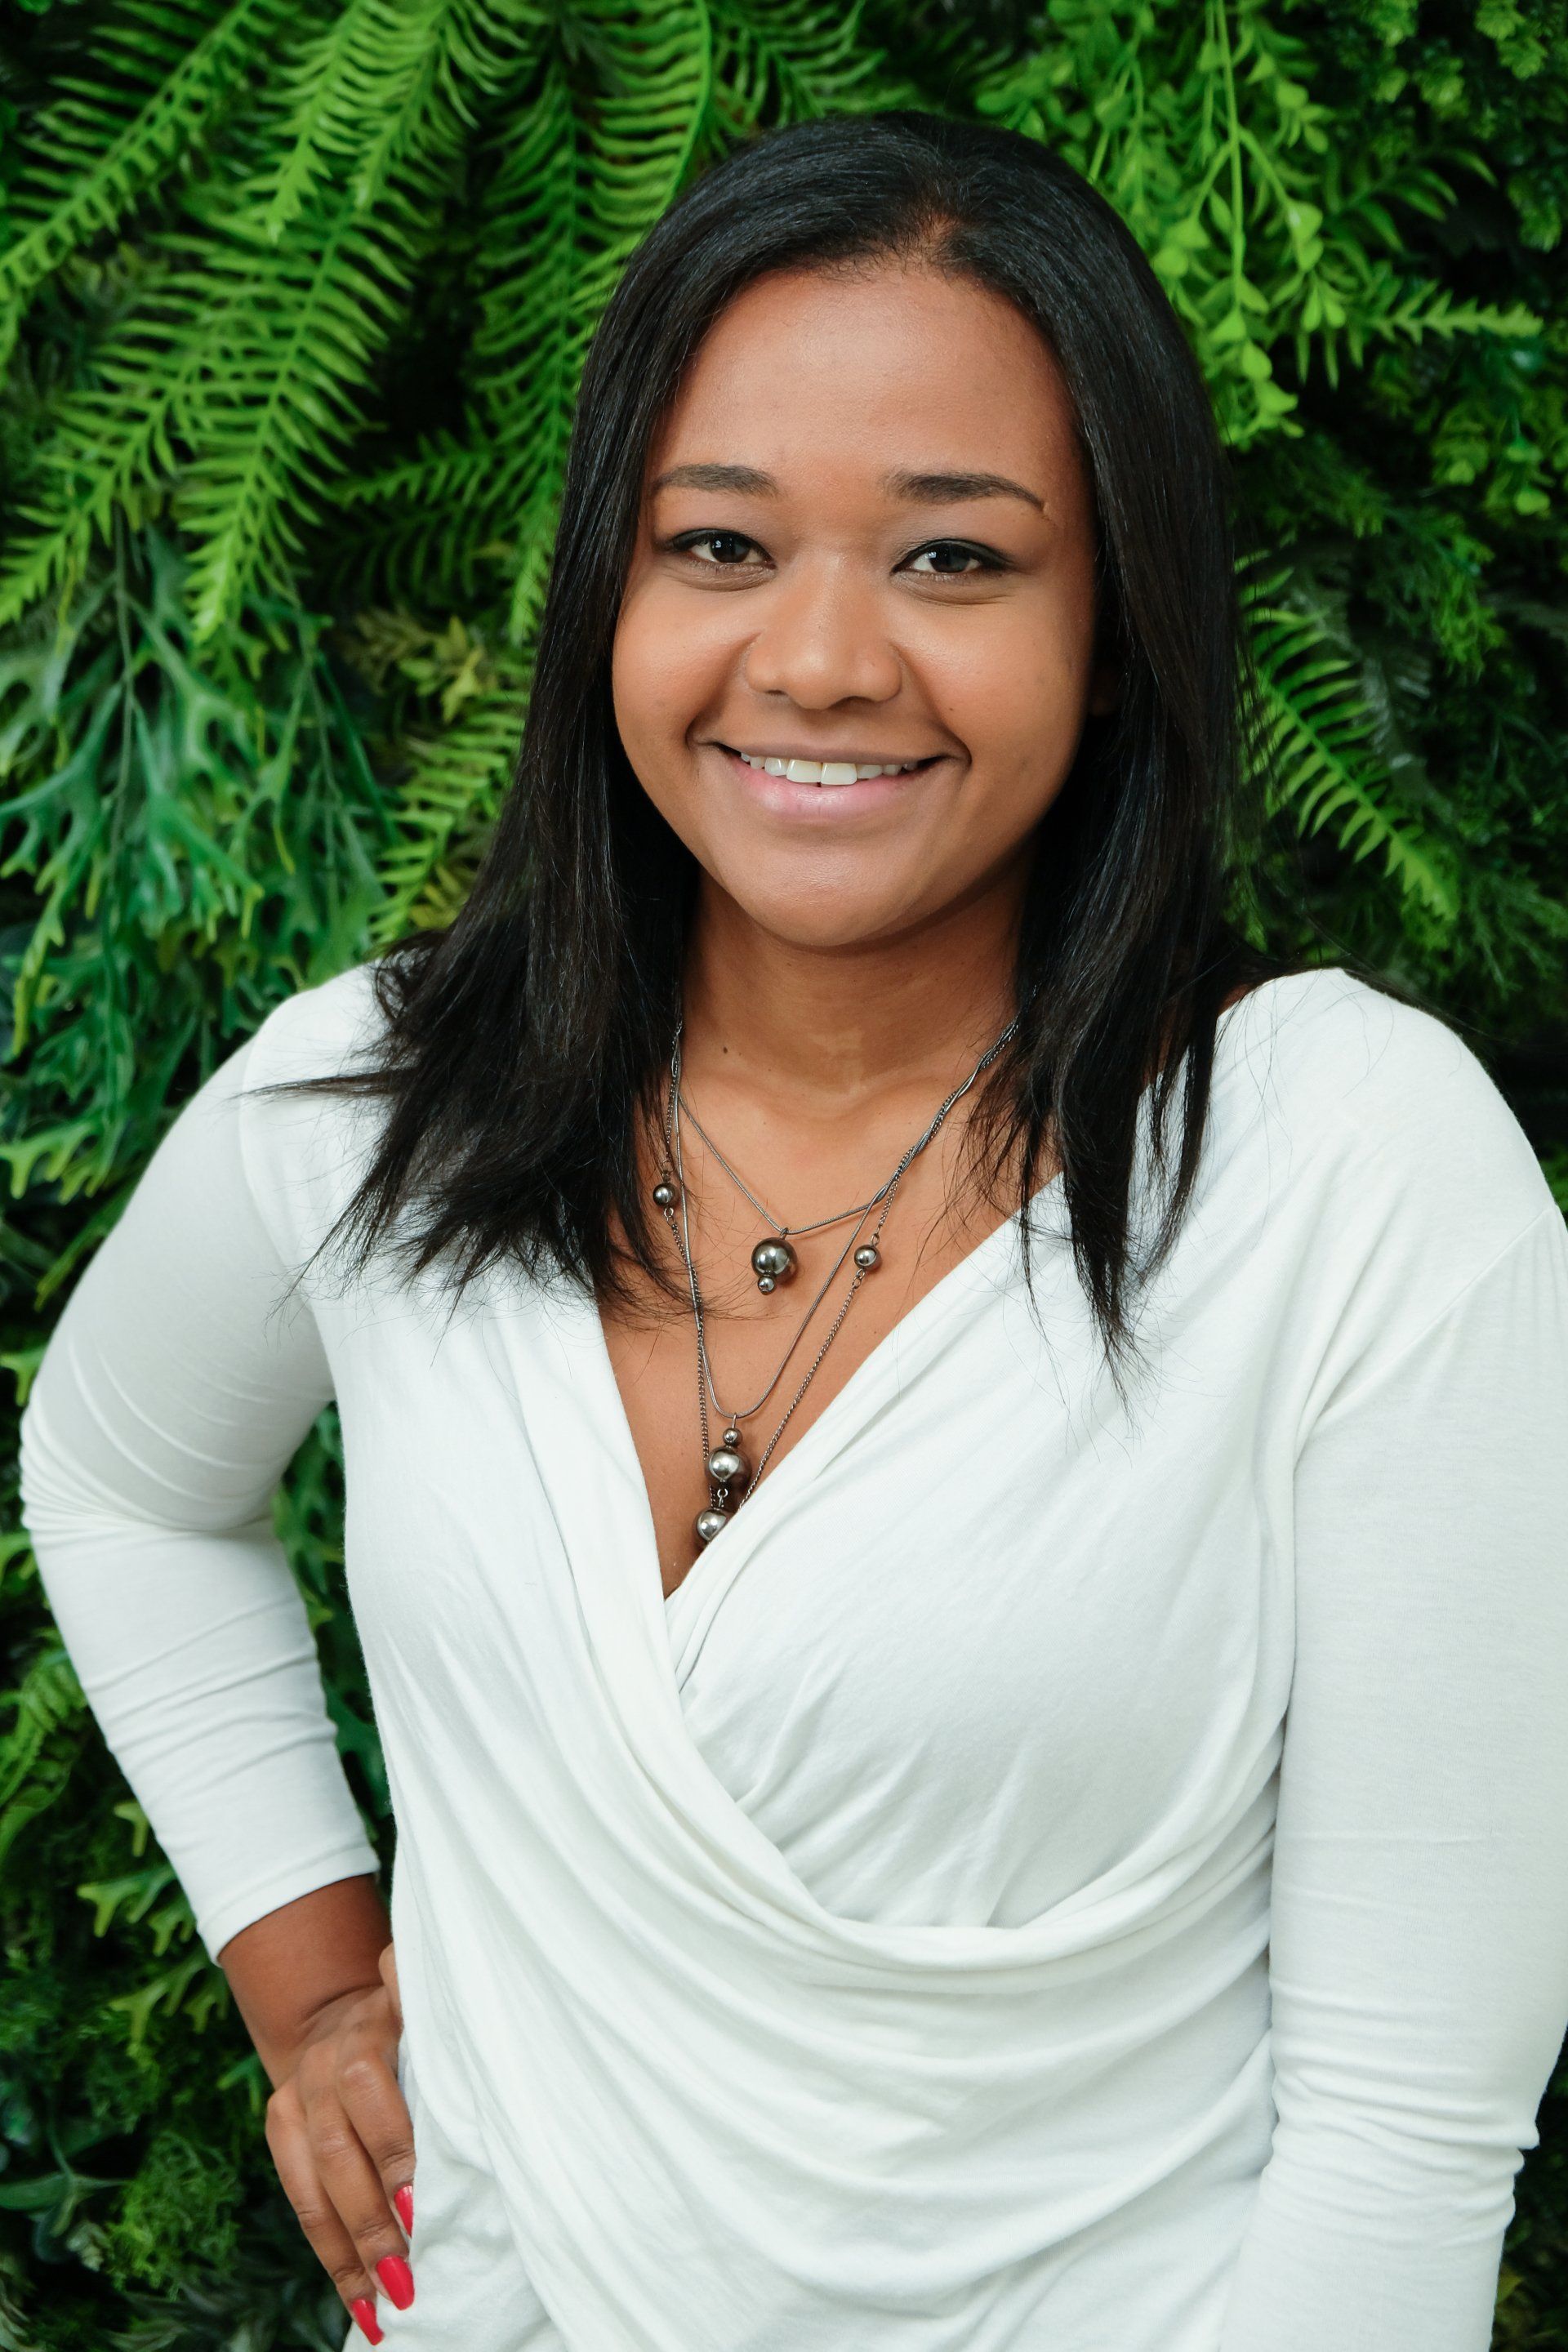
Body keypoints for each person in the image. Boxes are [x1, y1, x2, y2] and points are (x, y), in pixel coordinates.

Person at [18, 110, 1568, 2352]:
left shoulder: (1347, 1173)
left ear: (1116, 624)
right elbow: (123, 1476)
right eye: (719, 545)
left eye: (955, 561)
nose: (822, 663)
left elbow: (1407, 2130)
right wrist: (312, 1982)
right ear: (613, 594)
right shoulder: (377, 1107)